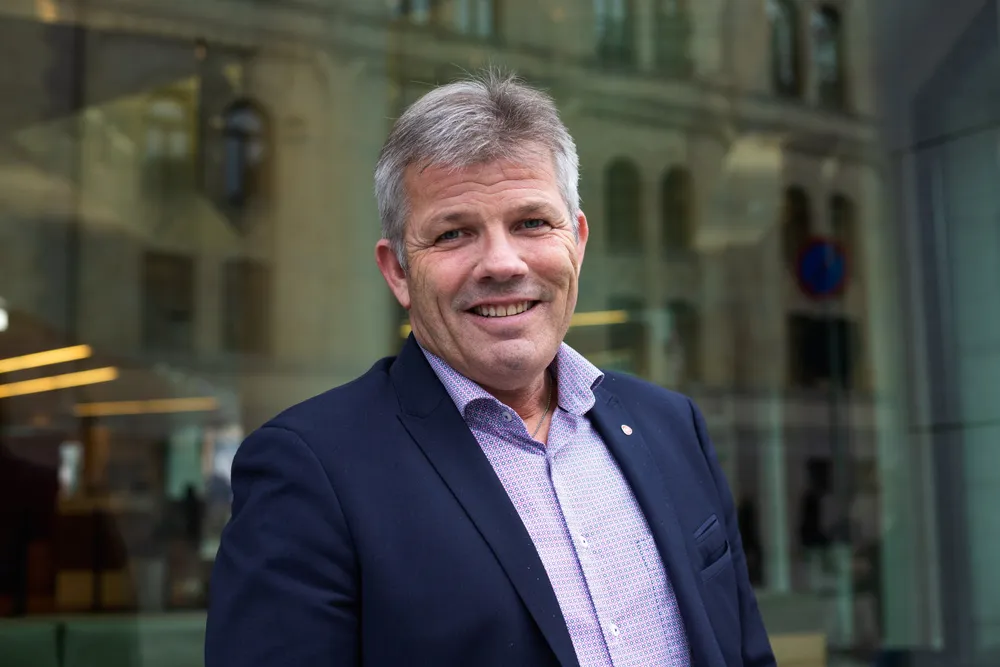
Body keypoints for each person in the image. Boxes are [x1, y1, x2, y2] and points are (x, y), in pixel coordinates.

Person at [205, 69, 775, 667]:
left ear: (577, 241)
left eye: (532, 223)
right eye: (454, 233)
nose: (502, 264)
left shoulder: (673, 427)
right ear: (398, 271)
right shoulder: (310, 471)